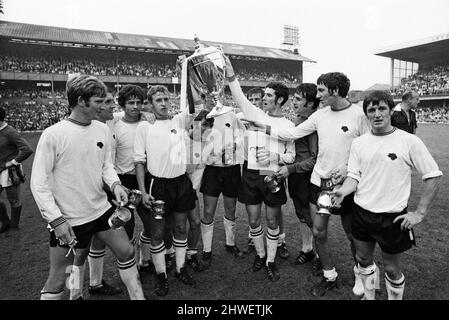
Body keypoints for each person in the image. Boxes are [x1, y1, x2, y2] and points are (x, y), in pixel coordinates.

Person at [248, 72, 371, 296]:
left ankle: (361, 274)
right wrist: (261, 126)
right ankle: (329, 274)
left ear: (335, 91)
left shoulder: (358, 115)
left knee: (352, 234)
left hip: (347, 186)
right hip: (320, 184)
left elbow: (368, 147)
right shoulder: (320, 116)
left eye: (322, 90)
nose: (318, 95)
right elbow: (291, 133)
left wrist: (347, 166)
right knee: (319, 231)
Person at [30, 74, 145, 300]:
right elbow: (39, 183)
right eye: (98, 102)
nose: (104, 107)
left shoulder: (101, 129)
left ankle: (138, 297)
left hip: (101, 210)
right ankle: (75, 294)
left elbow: (106, 166)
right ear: (81, 101)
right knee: (60, 277)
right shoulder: (53, 135)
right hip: (69, 218)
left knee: (127, 250)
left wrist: (116, 185)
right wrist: (56, 220)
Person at [331, 90, 442, 300]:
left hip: (392, 217)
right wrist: (343, 191)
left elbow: (433, 175)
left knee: (391, 269)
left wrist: (419, 213)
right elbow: (354, 175)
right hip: (361, 213)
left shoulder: (408, 141)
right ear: (367, 115)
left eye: (382, 108)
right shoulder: (359, 143)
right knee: (363, 258)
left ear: (391, 110)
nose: (377, 114)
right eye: (371, 110)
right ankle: (370, 297)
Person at [225, 56, 295, 281]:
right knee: (254, 220)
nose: (264, 98)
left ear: (280, 99)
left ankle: (271, 260)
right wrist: (231, 73)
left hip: (272, 175)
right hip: (252, 174)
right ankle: (261, 254)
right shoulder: (255, 115)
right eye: (263, 95)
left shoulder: (288, 126)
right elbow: (239, 96)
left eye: (269, 95)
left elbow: (292, 156)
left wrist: (276, 156)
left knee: (273, 221)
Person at [134, 85, 197, 297]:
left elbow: (194, 101)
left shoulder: (178, 121)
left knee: (181, 227)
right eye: (158, 100)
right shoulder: (144, 127)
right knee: (158, 232)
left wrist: (184, 70)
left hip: (181, 183)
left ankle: (180, 268)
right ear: (150, 104)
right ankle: (161, 274)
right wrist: (143, 191)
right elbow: (139, 162)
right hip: (157, 186)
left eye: (166, 99)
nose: (163, 103)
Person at [82, 89, 123, 297]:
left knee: (97, 241)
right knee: (76, 253)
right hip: (89, 194)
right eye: (106, 102)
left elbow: (138, 112)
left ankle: (95, 284)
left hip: (111, 187)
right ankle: (74, 293)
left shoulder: (110, 123)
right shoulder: (84, 130)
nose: (112, 106)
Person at [199, 91, 245, 268]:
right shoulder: (201, 116)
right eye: (208, 96)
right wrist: (204, 130)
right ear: (204, 99)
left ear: (223, 97)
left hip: (231, 170)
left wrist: (234, 144)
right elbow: (194, 138)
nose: (212, 99)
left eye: (216, 95)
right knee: (208, 211)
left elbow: (241, 135)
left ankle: (230, 244)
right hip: (212, 170)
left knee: (231, 208)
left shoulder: (231, 115)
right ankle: (207, 250)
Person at [273, 83, 319, 265]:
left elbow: (314, 159)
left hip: (306, 176)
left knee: (312, 218)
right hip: (295, 176)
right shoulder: (299, 119)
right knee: (301, 214)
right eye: (294, 97)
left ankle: (320, 256)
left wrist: (291, 168)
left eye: (298, 99)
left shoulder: (314, 124)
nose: (293, 101)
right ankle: (307, 249)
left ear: (311, 103)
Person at [0, 106, 33, 233]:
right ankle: (6, 223)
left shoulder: (10, 132)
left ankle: (14, 227)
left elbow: (27, 149)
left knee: (13, 199)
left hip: (9, 171)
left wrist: (13, 162)